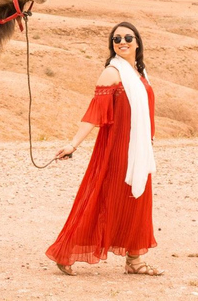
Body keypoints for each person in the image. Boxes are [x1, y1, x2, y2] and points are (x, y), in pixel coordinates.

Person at [45, 22, 164, 276]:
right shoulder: (112, 72)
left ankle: (135, 260)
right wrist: (73, 144)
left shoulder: (140, 73)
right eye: (116, 38)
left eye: (128, 37)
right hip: (116, 148)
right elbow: (94, 114)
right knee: (101, 197)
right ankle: (66, 251)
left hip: (138, 149)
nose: (122, 41)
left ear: (137, 42)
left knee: (137, 201)